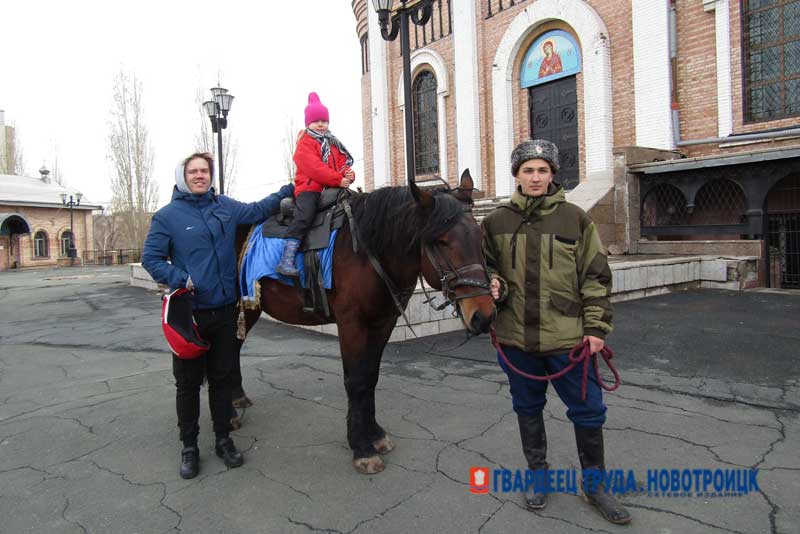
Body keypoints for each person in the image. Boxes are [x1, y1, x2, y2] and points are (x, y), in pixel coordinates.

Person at [481, 139, 631, 525]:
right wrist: (493, 282)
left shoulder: (575, 219)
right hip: (516, 340)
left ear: (552, 175)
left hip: (570, 340)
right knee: (527, 408)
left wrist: (597, 327)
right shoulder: (495, 222)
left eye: (542, 170)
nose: (535, 177)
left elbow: (596, 276)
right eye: (528, 170)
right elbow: (483, 270)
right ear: (516, 174)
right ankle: (537, 474)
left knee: (589, 411)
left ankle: (594, 485)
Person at [142, 152, 294, 479]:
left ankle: (223, 440)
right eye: (193, 171)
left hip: (225, 312)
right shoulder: (167, 216)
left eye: (204, 171)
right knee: (188, 384)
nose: (200, 176)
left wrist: (289, 188)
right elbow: (151, 259)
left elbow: (256, 210)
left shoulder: (224, 206)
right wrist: (181, 278)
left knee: (222, 381)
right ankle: (189, 447)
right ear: (183, 176)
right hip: (190, 316)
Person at [276, 92, 355, 277]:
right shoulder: (305, 143)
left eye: (324, 121)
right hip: (310, 189)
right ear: (308, 123)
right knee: (305, 216)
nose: (321, 124)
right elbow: (315, 169)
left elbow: (341, 164)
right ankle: (286, 258)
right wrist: (338, 179)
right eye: (316, 121)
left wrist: (349, 174)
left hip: (333, 189)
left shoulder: (333, 143)